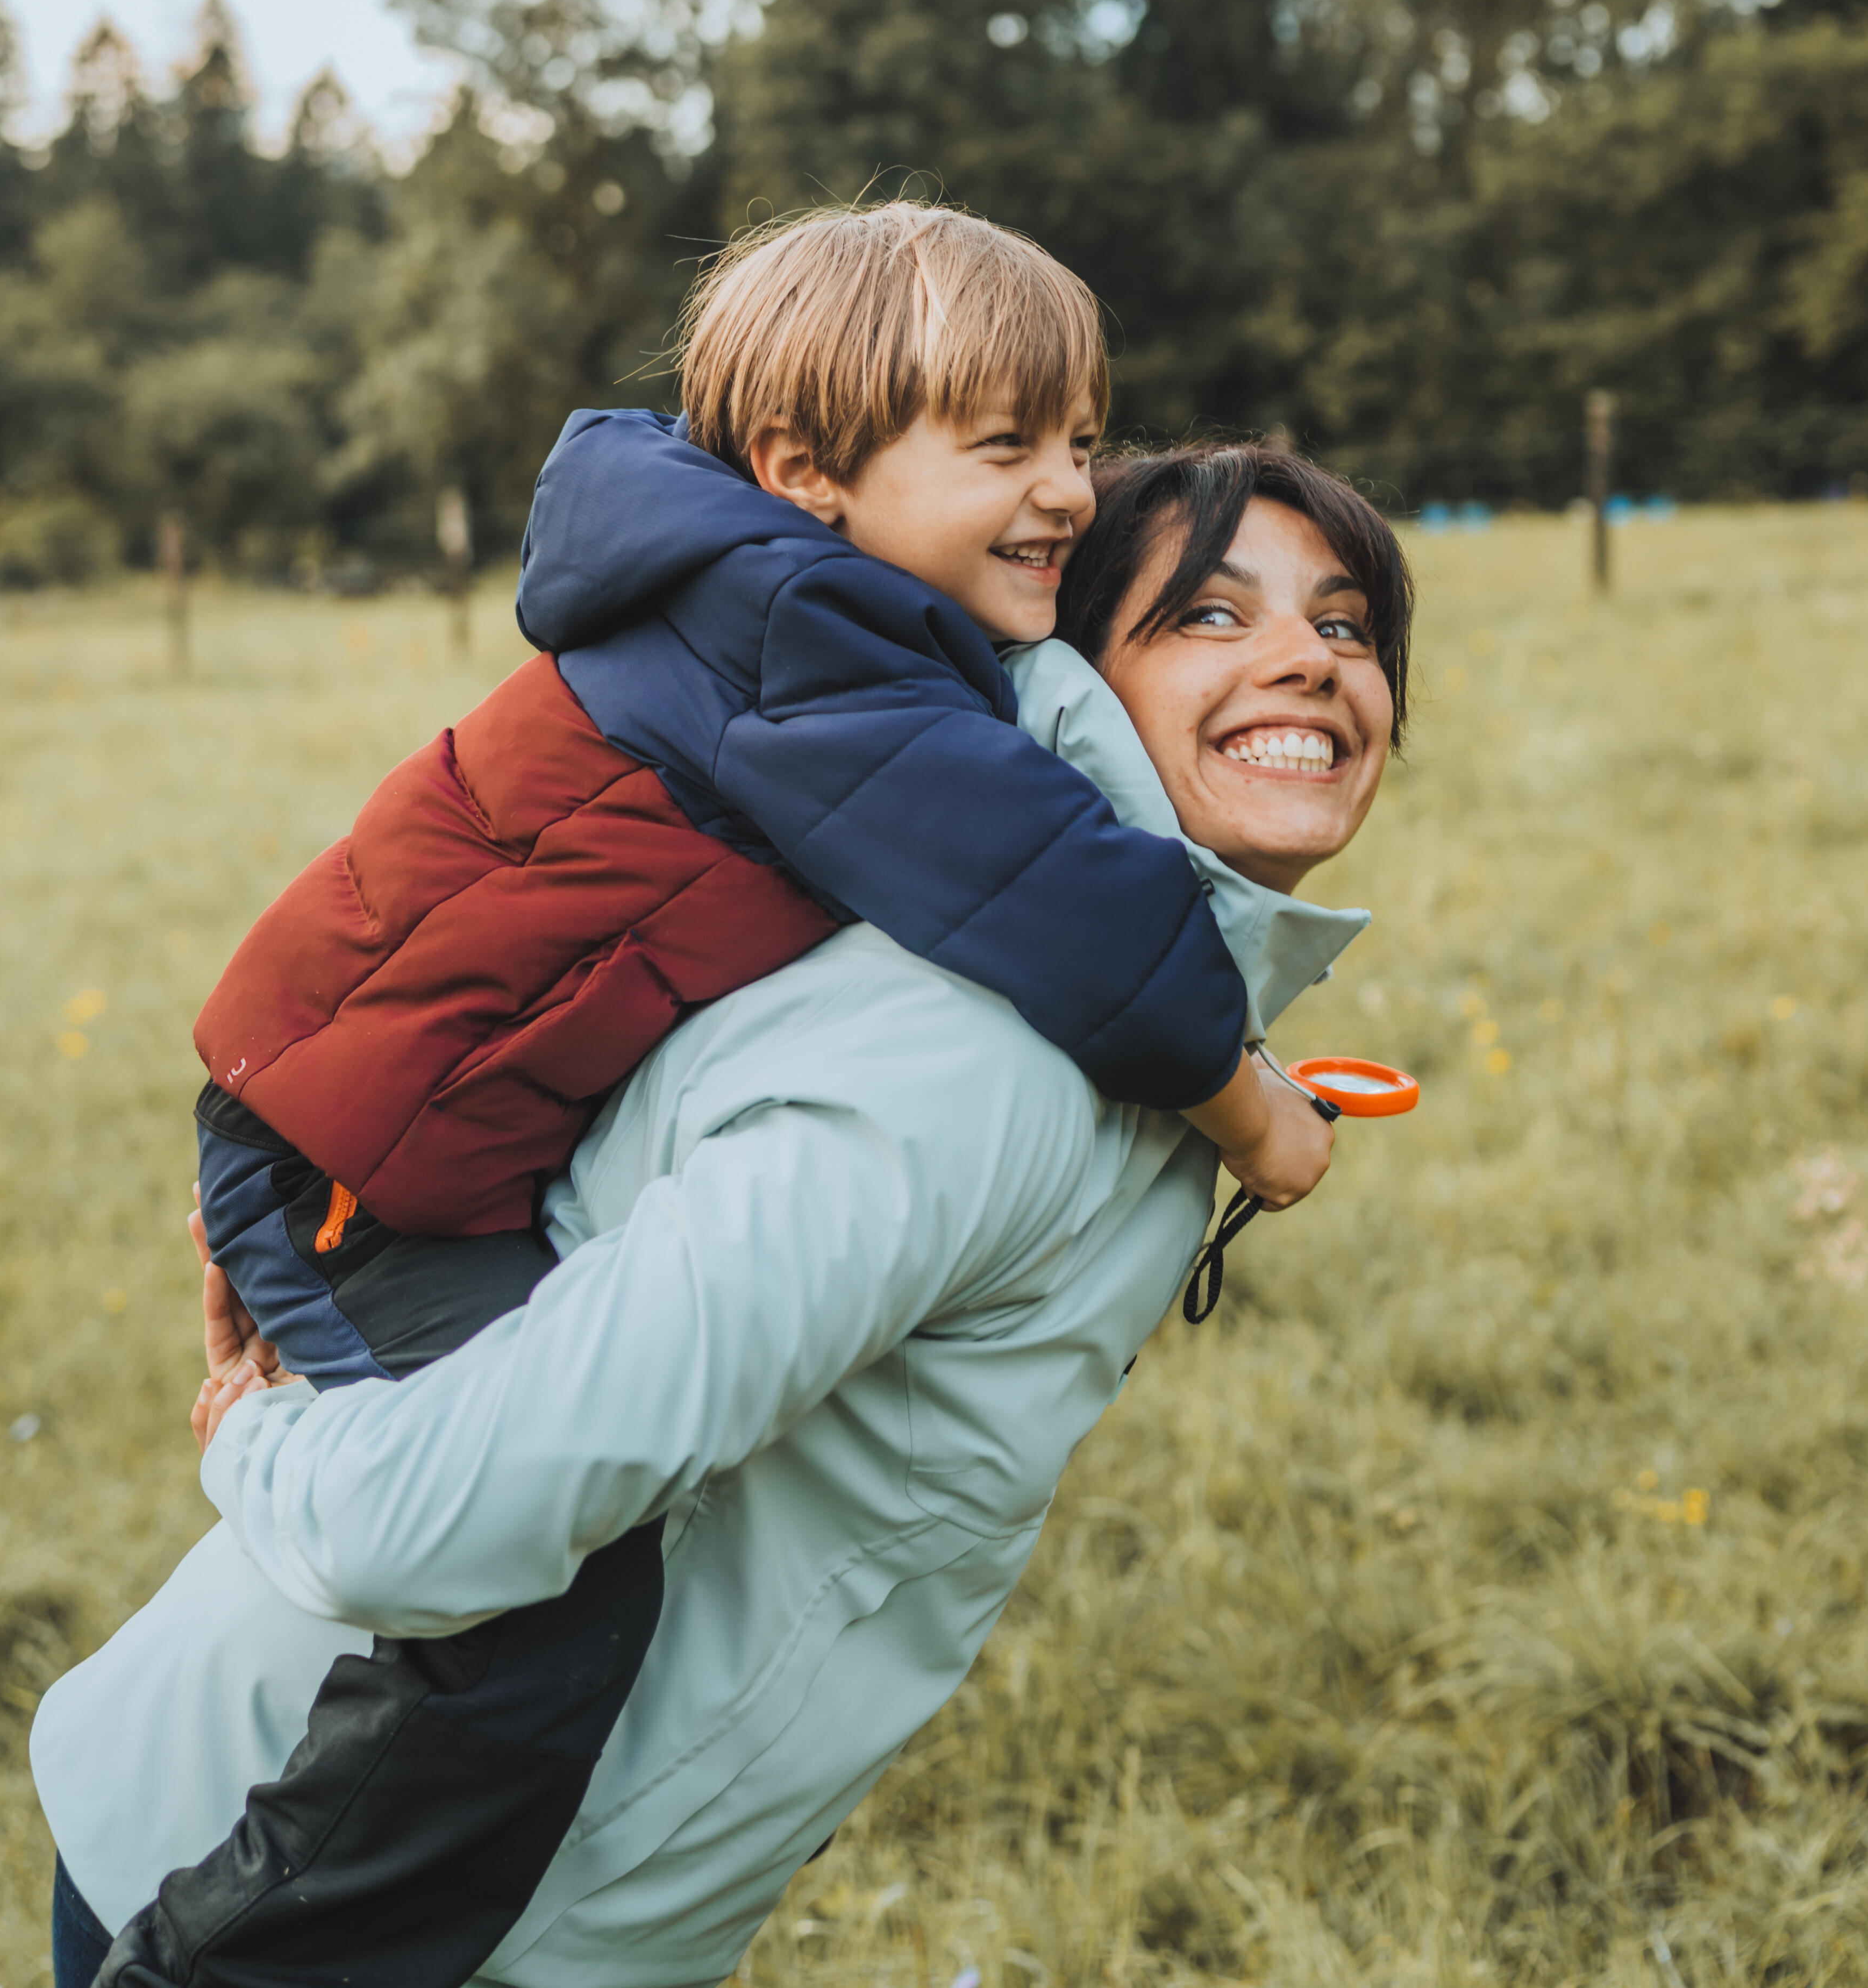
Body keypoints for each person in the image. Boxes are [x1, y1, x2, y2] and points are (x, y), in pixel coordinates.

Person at [96, 208, 1334, 1988]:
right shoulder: (802, 642)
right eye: (1007, 447)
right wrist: (1251, 1112)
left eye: (1081, 441)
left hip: (394, 1139)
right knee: (533, 1618)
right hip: (361, 1168)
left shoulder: (816, 618)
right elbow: (1056, 900)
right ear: (801, 470)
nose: (1068, 490)